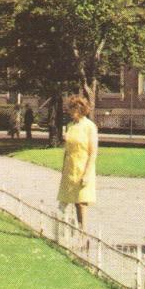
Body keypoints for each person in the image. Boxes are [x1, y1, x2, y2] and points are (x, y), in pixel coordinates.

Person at [57, 95, 98, 228]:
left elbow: (93, 153)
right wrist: (63, 168)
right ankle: (62, 231)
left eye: (71, 108)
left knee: (81, 203)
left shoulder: (90, 126)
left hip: (83, 168)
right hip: (70, 168)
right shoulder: (70, 126)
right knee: (64, 201)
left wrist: (86, 174)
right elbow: (67, 150)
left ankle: (82, 232)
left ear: (79, 109)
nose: (69, 111)